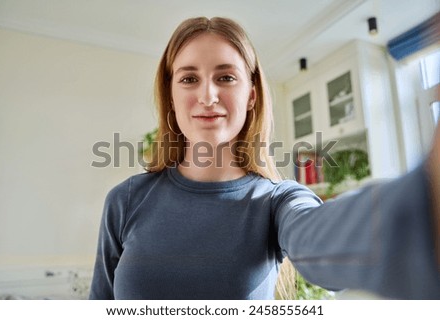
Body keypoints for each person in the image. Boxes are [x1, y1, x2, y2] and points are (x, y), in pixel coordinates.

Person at [89, 16, 440, 300]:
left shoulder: (277, 201)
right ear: (171, 93)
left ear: (252, 95)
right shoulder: (126, 200)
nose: (208, 95)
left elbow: (321, 237)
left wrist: (425, 203)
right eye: (189, 78)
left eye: (225, 77)